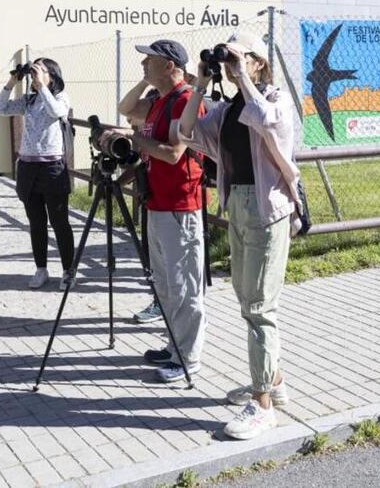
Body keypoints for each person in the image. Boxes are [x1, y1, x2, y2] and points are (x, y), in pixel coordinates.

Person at [177, 32, 302, 440]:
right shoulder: (229, 109)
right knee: (247, 302)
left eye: (240, 57)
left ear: (259, 63)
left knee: (261, 306)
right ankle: (272, 379)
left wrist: (242, 77)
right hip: (239, 208)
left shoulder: (276, 99)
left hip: (269, 211)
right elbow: (185, 130)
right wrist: (199, 82)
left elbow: (268, 121)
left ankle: (263, 403)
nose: (231, 65)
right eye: (228, 58)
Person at [112, 39, 206, 384]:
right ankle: (173, 345)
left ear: (169, 66)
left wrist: (137, 141)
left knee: (185, 288)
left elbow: (174, 153)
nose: (142, 65)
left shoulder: (185, 100)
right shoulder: (159, 101)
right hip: (158, 203)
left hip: (181, 206)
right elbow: (126, 108)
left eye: (149, 61)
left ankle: (189, 357)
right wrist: (146, 85)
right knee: (166, 286)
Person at [0, 59, 74, 290]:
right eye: (33, 71)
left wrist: (43, 87)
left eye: (40, 71)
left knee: (60, 222)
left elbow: (57, 112)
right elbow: (0, 108)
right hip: (28, 167)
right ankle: (41, 268)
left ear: (52, 75)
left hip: (52, 168)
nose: (35, 75)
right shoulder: (29, 100)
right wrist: (12, 81)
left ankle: (68, 270)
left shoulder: (60, 97)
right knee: (36, 222)